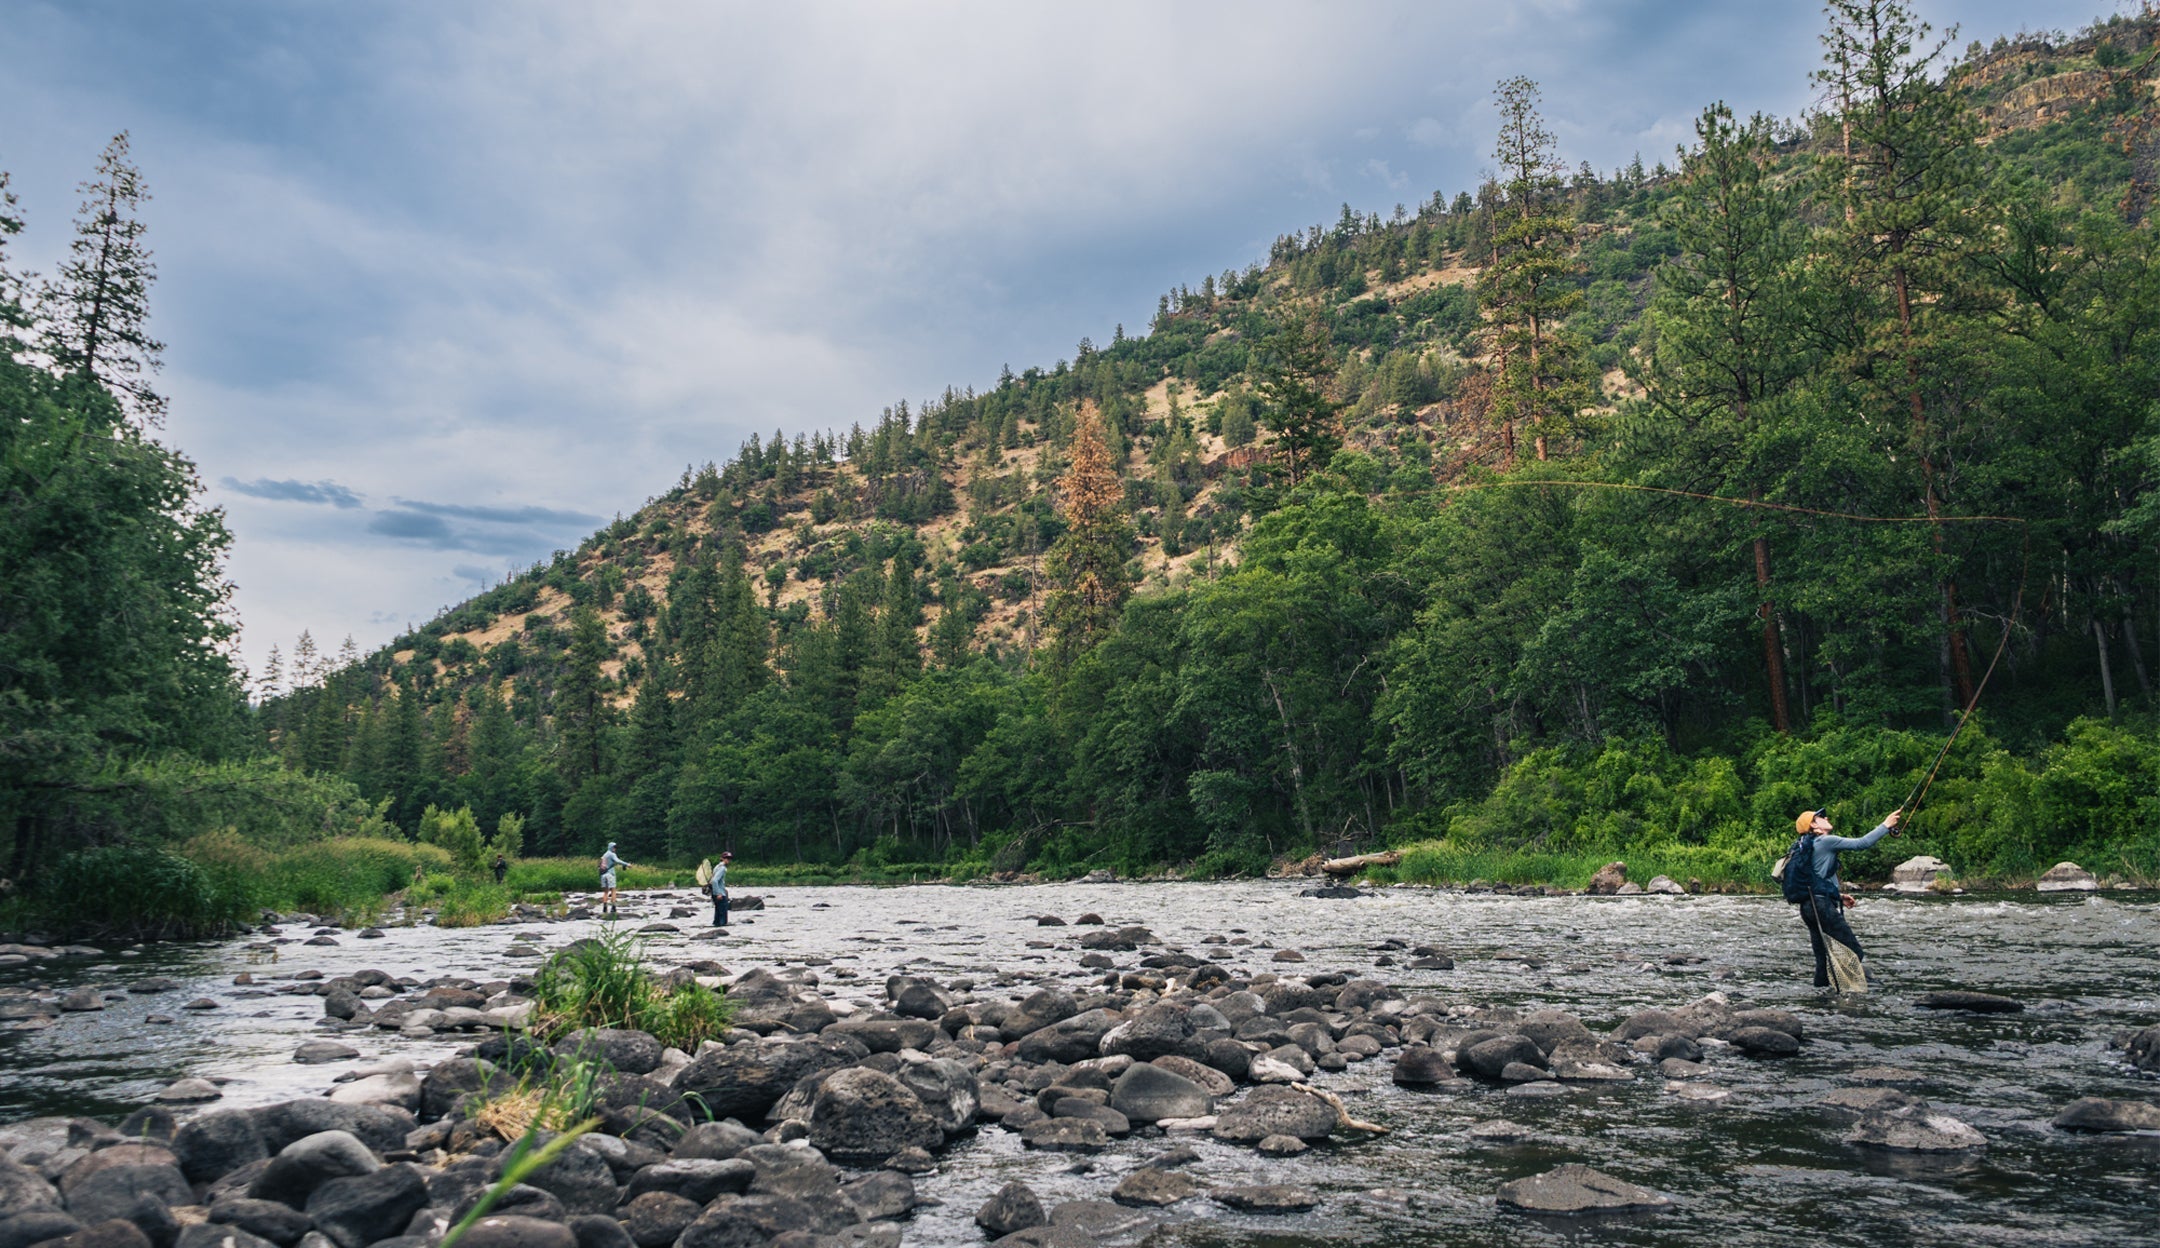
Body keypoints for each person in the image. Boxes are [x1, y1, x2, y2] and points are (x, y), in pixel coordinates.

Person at [1790, 807, 1900, 988]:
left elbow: (1815, 879)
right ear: (1814, 826)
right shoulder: (1825, 841)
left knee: (1823, 960)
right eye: (1820, 817)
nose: (1825, 817)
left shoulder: (1806, 847)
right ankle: (1852, 992)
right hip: (1822, 906)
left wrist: (1838, 896)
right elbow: (1861, 843)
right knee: (1853, 951)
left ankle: (1821, 1003)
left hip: (1808, 906)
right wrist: (1886, 825)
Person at [599, 842, 631, 914]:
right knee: (613, 890)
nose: (615, 848)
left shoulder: (604, 855)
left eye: (615, 847)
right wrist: (627, 864)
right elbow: (618, 861)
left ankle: (605, 908)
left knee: (606, 892)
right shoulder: (612, 854)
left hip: (603, 874)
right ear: (610, 847)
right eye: (614, 847)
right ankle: (613, 907)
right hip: (610, 874)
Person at [710, 851, 733, 927]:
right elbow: (714, 880)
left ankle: (716, 926)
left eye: (729, 858)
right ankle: (721, 927)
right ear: (722, 858)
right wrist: (718, 893)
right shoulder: (722, 868)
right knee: (723, 914)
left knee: (717, 914)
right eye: (726, 858)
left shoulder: (716, 867)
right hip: (720, 894)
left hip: (715, 893)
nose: (728, 860)